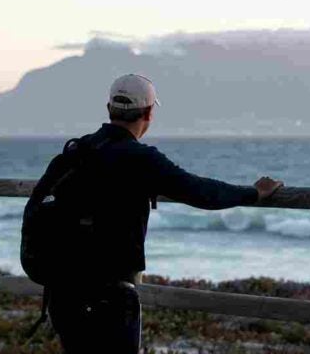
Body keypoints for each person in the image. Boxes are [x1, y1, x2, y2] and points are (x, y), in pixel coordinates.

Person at [45, 74, 284, 353]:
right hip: (110, 292)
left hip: (62, 287)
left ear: (109, 109)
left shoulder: (77, 150)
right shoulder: (141, 158)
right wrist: (253, 192)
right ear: (148, 113)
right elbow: (200, 191)